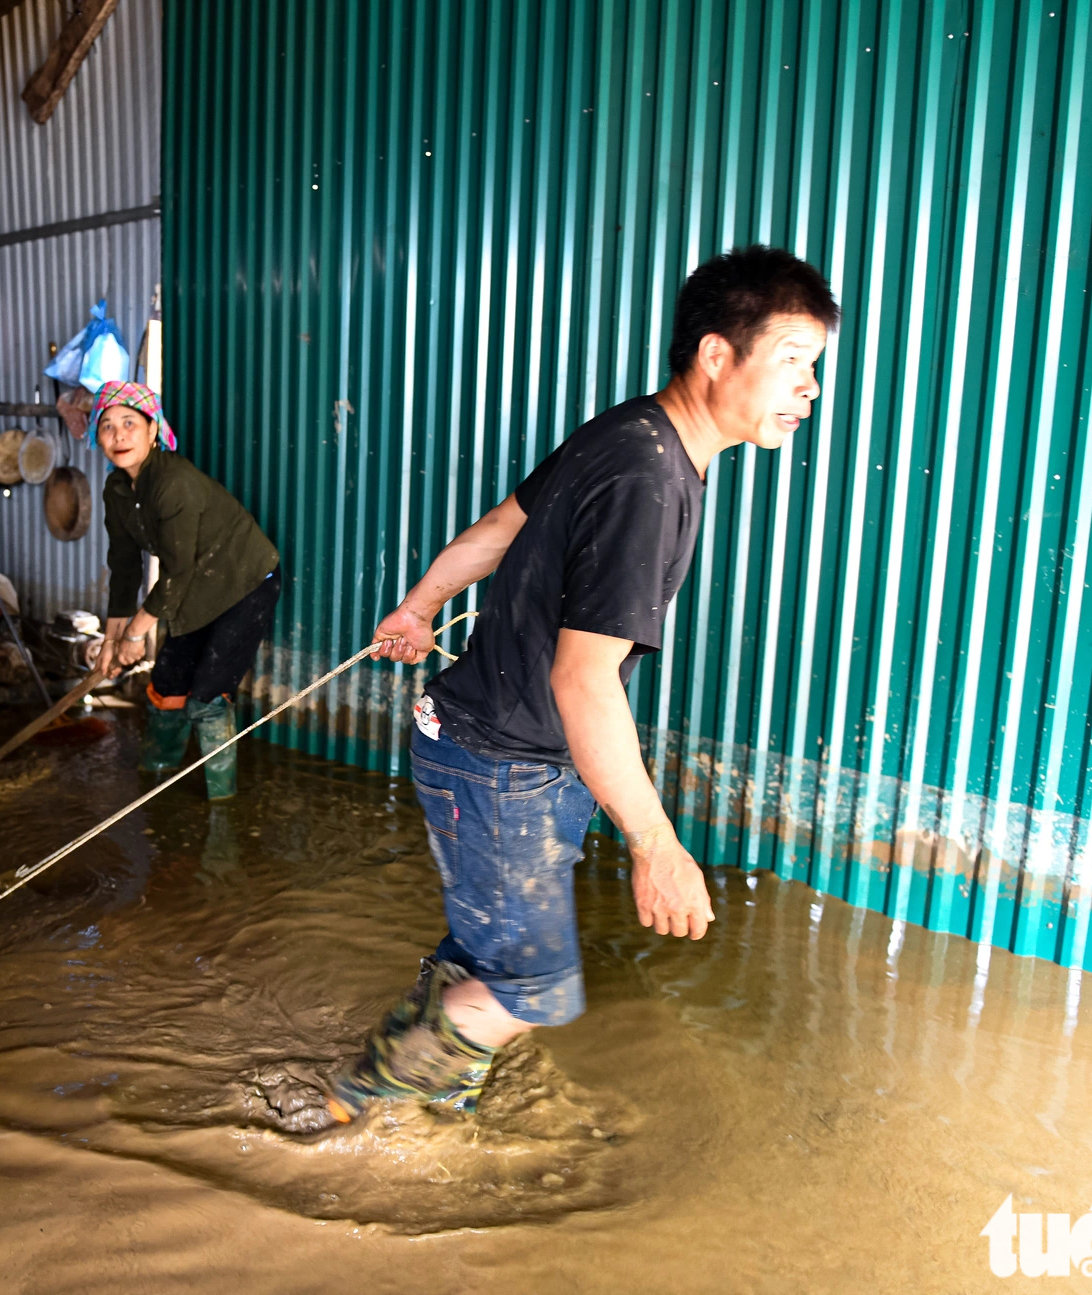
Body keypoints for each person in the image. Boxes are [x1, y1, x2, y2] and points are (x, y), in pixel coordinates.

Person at [327, 246, 840, 1122]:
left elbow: (501, 527)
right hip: (502, 762)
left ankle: (432, 1110)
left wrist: (419, 609)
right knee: (535, 989)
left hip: (497, 750)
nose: (810, 390)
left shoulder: (634, 429)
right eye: (793, 361)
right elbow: (584, 679)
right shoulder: (650, 474)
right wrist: (656, 845)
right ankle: (361, 1093)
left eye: (815, 369)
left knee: (495, 960)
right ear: (718, 354)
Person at [90, 381, 280, 800]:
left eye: (129, 423)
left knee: (207, 694)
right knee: (167, 684)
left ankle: (222, 804)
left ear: (153, 430)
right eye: (107, 426)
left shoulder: (173, 482)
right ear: (97, 437)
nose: (119, 435)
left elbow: (174, 571)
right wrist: (111, 639)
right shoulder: (116, 490)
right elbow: (123, 568)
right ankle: (153, 779)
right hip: (193, 584)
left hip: (243, 582)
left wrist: (136, 634)